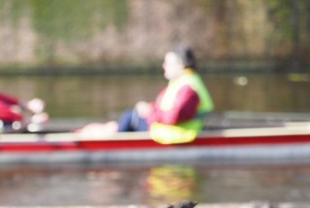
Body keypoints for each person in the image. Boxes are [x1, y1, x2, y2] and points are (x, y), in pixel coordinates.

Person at [79, 46, 214, 144]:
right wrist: (150, 108)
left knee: (131, 117)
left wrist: (150, 114)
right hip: (173, 129)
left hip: (179, 134)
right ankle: (106, 131)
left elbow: (175, 116)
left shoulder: (188, 87)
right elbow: (168, 108)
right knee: (130, 116)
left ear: (181, 65)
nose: (163, 66)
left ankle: (103, 139)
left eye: (167, 63)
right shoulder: (184, 82)